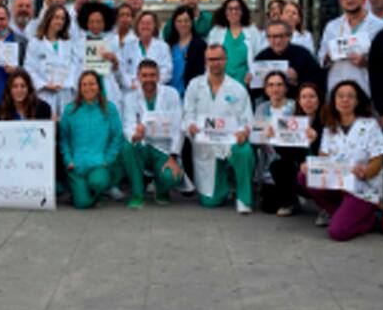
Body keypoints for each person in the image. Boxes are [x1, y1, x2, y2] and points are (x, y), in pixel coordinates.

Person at [299, 81, 383, 241]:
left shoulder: (370, 125)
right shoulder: (330, 127)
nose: (345, 100)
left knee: (337, 232)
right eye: (340, 96)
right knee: (303, 176)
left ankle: (370, 220)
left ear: (357, 101)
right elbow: (323, 158)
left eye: (350, 96)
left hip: (362, 189)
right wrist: (311, 166)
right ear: (334, 100)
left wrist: (365, 173)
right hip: (338, 185)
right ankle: (339, 212)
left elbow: (378, 159)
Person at [183, 43, 256, 213]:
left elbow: (248, 120)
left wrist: (244, 132)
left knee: (243, 151)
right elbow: (187, 114)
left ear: (225, 60)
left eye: (219, 59)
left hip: (230, 143)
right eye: (211, 59)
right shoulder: (195, 85)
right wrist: (191, 126)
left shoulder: (237, 89)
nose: (215, 63)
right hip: (206, 146)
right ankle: (227, 182)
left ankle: (243, 198)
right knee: (211, 202)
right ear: (205, 61)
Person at [121, 60, 185, 208]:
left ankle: (162, 189)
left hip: (164, 149)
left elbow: (178, 128)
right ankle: (137, 194)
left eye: (152, 75)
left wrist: (173, 156)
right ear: (138, 77)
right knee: (128, 147)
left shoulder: (171, 94)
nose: (148, 79)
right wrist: (134, 134)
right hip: (143, 146)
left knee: (171, 177)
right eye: (144, 75)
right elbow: (127, 124)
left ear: (158, 76)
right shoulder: (130, 98)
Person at [59, 71, 126, 209]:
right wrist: (68, 160)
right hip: (76, 166)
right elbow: (64, 139)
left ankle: (95, 190)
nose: (88, 88)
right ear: (79, 88)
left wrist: (107, 159)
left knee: (98, 182)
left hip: (99, 164)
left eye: (92, 84)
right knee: (82, 203)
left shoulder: (109, 108)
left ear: (99, 86)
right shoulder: (70, 110)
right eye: (84, 84)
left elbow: (117, 137)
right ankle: (79, 192)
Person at [319, 0, 383, 97]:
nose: (350, 0)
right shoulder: (332, 26)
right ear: (340, 1)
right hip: (337, 87)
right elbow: (321, 57)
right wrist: (328, 56)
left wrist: (366, 62)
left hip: (366, 88)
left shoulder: (378, 26)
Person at [268, 82, 322, 218]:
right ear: (299, 101)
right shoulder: (294, 121)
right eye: (304, 97)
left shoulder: (327, 121)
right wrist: (275, 138)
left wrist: (316, 138)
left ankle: (327, 209)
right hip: (301, 168)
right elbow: (286, 154)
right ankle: (290, 202)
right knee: (278, 166)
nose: (308, 101)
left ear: (319, 99)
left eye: (312, 97)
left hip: (322, 166)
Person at [252, 70, 298, 215]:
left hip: (288, 163)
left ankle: (293, 197)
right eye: (271, 85)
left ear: (286, 88)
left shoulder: (295, 107)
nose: (275, 89)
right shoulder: (261, 108)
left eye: (279, 85)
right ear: (265, 89)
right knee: (269, 208)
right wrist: (262, 136)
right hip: (267, 164)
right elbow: (256, 138)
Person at [25, 4, 80, 115]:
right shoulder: (35, 43)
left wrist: (66, 83)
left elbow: (75, 66)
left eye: (62, 18)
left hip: (65, 93)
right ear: (48, 18)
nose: (59, 21)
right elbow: (29, 68)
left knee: (64, 126)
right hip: (44, 93)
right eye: (56, 17)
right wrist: (43, 84)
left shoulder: (69, 43)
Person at [254, 21, 325, 92]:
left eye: (281, 36)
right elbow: (256, 91)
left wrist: (297, 81)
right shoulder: (261, 57)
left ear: (289, 37)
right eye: (273, 37)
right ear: (267, 38)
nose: (278, 41)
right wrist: (250, 82)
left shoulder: (303, 55)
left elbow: (318, 81)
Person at [207, 0, 260, 87]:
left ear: (242, 11)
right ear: (225, 12)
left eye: (237, 9)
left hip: (245, 82)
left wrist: (252, 73)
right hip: (221, 81)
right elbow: (209, 57)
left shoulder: (252, 31)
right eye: (230, 9)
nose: (233, 12)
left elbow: (258, 56)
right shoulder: (216, 31)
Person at [78, 1, 123, 106]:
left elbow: (120, 74)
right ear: (86, 23)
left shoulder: (113, 42)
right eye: (91, 22)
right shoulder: (79, 43)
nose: (95, 25)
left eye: (99, 22)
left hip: (107, 87)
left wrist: (114, 60)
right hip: (87, 88)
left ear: (105, 23)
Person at [120, 11, 173, 94]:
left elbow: (167, 70)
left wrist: (152, 83)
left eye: (149, 23)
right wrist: (131, 84)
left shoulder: (163, 47)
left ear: (155, 26)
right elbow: (122, 70)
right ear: (137, 25)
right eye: (142, 23)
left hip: (155, 90)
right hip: (131, 90)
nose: (145, 26)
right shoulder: (128, 46)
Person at [164, 5, 206, 98]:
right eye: (179, 21)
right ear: (174, 23)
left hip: (190, 94)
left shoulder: (199, 44)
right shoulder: (169, 45)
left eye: (186, 21)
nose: (183, 24)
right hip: (170, 94)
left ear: (192, 22)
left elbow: (202, 72)